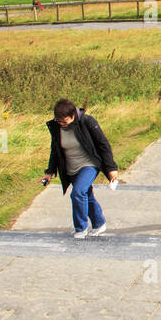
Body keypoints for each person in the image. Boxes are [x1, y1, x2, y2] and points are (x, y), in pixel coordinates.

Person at [44, 98, 119, 239]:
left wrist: (111, 168)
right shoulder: (56, 127)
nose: (62, 124)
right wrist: (49, 172)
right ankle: (99, 223)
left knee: (77, 193)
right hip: (70, 168)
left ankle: (81, 228)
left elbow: (103, 144)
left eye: (64, 121)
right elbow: (55, 150)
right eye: (59, 121)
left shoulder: (87, 122)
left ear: (73, 116)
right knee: (86, 195)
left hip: (89, 164)